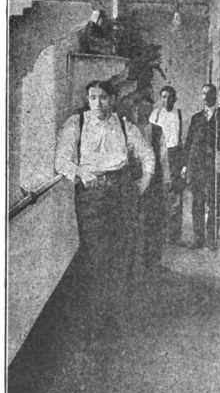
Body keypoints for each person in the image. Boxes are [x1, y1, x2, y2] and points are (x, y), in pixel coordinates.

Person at [54, 79, 155, 329]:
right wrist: (81, 173)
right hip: (91, 195)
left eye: (103, 97)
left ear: (113, 99)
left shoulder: (124, 126)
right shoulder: (77, 123)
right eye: (93, 97)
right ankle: (95, 319)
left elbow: (147, 154)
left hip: (122, 192)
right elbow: (61, 160)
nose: (98, 103)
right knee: (95, 255)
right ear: (88, 100)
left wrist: (144, 181)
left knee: (122, 253)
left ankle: (118, 316)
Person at [119, 93, 171, 272]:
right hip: (130, 181)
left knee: (154, 221)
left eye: (148, 110)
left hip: (154, 183)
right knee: (130, 223)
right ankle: (131, 264)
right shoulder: (125, 129)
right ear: (135, 109)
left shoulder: (157, 131)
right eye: (141, 109)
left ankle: (153, 262)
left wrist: (166, 181)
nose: (144, 113)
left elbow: (163, 158)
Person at [181, 83, 220, 251]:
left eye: (209, 94)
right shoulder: (196, 118)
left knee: (213, 202)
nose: (205, 97)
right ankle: (198, 238)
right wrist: (185, 165)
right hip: (197, 165)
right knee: (197, 202)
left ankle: (211, 238)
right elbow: (189, 141)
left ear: (215, 96)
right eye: (203, 94)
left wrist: (219, 145)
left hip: (214, 165)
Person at [149, 85, 184, 244]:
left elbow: (182, 139)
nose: (166, 100)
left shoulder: (179, 114)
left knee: (175, 194)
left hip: (174, 155)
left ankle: (174, 235)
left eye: (169, 97)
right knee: (159, 194)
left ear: (174, 99)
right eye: (163, 97)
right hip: (159, 155)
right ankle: (160, 233)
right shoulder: (155, 114)